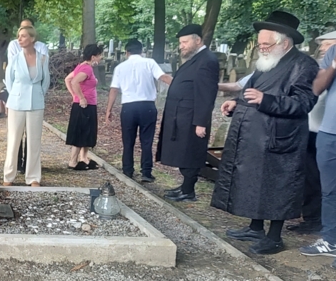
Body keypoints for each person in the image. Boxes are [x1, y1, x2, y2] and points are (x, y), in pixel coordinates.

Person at [211, 11, 319, 255]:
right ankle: (256, 226)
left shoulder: (304, 66)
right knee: (255, 182)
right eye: (260, 44)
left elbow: (303, 103)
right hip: (255, 136)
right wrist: (237, 103)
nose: (262, 48)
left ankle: (274, 237)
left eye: (266, 44)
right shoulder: (266, 63)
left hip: (282, 139)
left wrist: (266, 100)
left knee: (277, 186)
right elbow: (252, 91)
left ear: (285, 43)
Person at [155, 25, 220, 201]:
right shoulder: (196, 59)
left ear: (197, 40)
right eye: (180, 43)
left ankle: (188, 191)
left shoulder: (207, 61)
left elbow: (206, 94)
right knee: (183, 153)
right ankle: (184, 187)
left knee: (190, 153)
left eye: (185, 42)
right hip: (181, 116)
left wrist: (200, 122)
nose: (181, 46)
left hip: (192, 118)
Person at [300, 32, 336, 266]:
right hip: (328, 133)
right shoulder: (334, 52)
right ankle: (331, 240)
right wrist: (335, 65)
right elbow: (317, 88)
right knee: (331, 192)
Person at [104, 39, 171, 183]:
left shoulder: (120, 67)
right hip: (147, 106)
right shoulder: (149, 63)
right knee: (146, 140)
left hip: (128, 107)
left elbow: (114, 89)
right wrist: (180, 84)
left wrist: (109, 109)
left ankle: (127, 170)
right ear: (142, 51)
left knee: (128, 140)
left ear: (127, 52)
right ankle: (146, 172)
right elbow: (163, 77)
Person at [3, 24, 50, 186]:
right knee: (14, 139)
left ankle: (33, 177)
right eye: (19, 36)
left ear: (32, 39)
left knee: (34, 140)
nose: (20, 39)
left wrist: (37, 95)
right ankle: (9, 176)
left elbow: (46, 81)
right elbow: (9, 81)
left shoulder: (42, 58)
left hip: (36, 103)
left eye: (23, 36)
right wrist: (17, 95)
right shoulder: (15, 59)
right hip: (17, 102)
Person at [64, 44, 104, 170]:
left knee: (87, 132)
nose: (101, 58)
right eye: (99, 55)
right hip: (84, 105)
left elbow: (68, 79)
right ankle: (73, 161)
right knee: (81, 132)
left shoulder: (82, 66)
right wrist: (80, 97)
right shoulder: (86, 69)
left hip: (88, 104)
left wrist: (74, 95)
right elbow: (74, 81)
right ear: (93, 57)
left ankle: (84, 158)